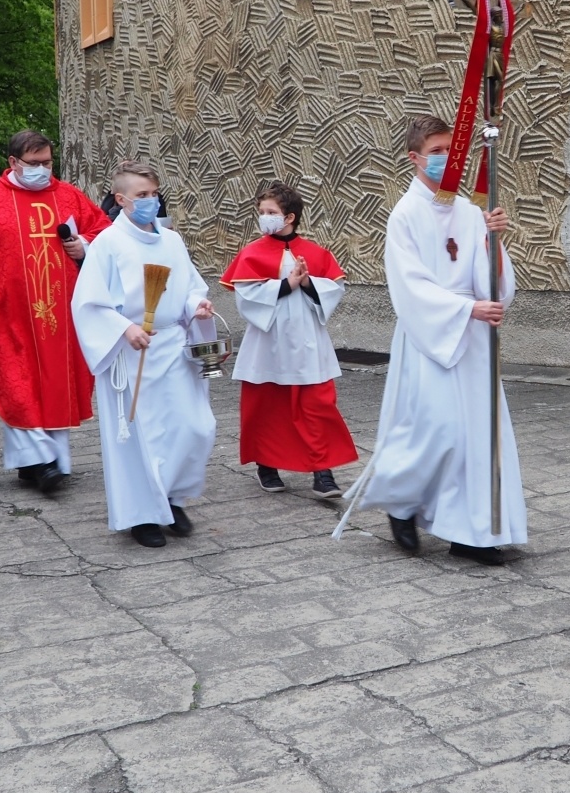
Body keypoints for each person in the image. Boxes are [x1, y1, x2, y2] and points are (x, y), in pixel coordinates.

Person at [337, 114, 524, 565]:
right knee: (436, 430)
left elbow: (494, 285)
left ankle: (471, 534)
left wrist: (492, 240)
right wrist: (464, 309)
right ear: (414, 157)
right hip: (431, 334)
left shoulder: (470, 211)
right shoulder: (405, 215)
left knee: (477, 436)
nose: (446, 159)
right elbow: (410, 286)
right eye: (437, 151)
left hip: (474, 340)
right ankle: (403, 506)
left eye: (451, 151)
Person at [0, 129, 111, 493]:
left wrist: (85, 245)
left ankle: (39, 463)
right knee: (18, 387)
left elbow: (103, 229)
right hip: (3, 314)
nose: (43, 170)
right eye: (35, 164)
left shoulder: (68, 194)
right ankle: (43, 463)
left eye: (48, 162)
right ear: (13, 162)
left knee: (52, 386)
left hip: (59, 316)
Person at [71, 161, 216, 547]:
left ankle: (171, 496)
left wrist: (196, 306)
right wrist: (125, 328)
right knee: (140, 435)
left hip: (171, 345)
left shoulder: (172, 241)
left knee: (193, 426)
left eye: (154, 194)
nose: (151, 201)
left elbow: (190, 287)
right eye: (142, 196)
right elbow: (88, 303)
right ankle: (143, 515)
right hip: (131, 351)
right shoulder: (108, 244)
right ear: (121, 200)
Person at [221, 180, 356, 499]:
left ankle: (322, 472)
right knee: (266, 406)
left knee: (318, 406)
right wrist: (286, 285)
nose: (264, 217)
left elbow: (334, 290)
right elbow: (246, 296)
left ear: (290, 217)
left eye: (271, 212)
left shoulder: (315, 253)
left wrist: (308, 283)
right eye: (261, 212)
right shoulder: (252, 252)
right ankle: (266, 465)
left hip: (308, 340)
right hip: (267, 341)